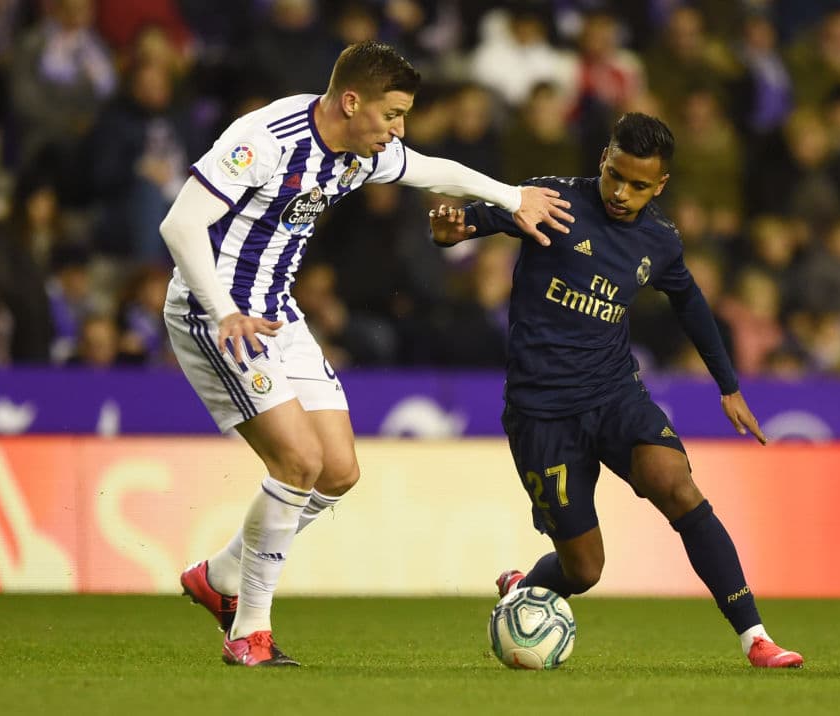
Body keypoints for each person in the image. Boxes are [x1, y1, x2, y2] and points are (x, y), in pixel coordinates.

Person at [161, 40, 573, 667]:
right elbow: (180, 225)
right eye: (392, 115)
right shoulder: (266, 139)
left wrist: (512, 196)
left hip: (278, 314)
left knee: (338, 472)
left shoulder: (364, 148)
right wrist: (224, 312)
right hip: (215, 312)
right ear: (351, 101)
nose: (399, 130)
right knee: (297, 462)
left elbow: (435, 168)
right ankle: (249, 630)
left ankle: (218, 575)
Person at [429, 112, 803, 668]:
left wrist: (729, 387)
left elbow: (692, 305)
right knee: (584, 569)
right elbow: (469, 224)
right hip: (541, 413)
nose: (621, 194)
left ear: (661, 186)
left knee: (675, 485)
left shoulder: (660, 241)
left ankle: (756, 638)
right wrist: (450, 230)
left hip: (614, 395)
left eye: (638, 185)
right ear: (603, 159)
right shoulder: (553, 201)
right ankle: (524, 586)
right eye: (614, 176)